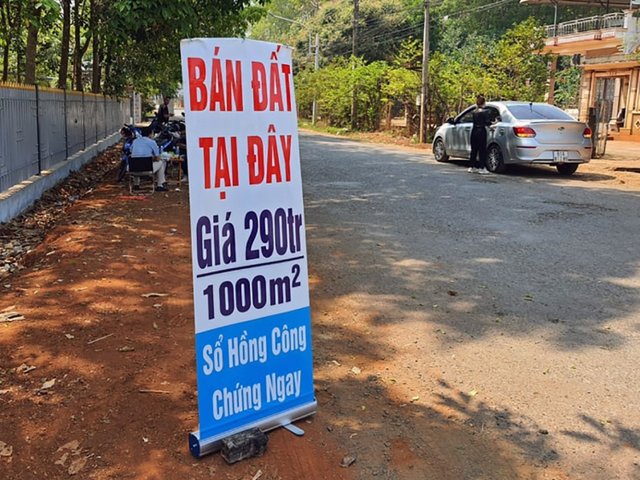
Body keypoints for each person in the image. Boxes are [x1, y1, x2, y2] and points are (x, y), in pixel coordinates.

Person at [130, 127, 168, 192]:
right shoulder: (152, 142)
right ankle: (160, 185)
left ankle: (136, 184)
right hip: (147, 170)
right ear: (150, 134)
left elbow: (132, 152)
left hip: (133, 170)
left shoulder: (135, 141)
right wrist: (152, 158)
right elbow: (157, 158)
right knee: (161, 162)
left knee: (136, 160)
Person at [468, 94, 492, 175]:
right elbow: (487, 122)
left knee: (474, 149)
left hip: (474, 131)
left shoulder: (474, 112)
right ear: (484, 103)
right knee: (482, 150)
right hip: (481, 131)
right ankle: (481, 168)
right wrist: (494, 123)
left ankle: (471, 166)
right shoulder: (485, 112)